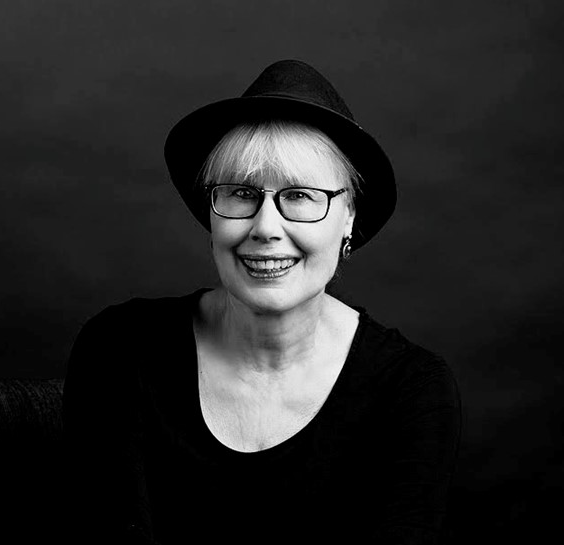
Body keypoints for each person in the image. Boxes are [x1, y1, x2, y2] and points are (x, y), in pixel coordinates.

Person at [61, 60, 461, 544]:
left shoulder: (412, 389)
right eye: (241, 193)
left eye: (301, 196)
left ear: (349, 217)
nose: (266, 227)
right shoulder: (121, 347)